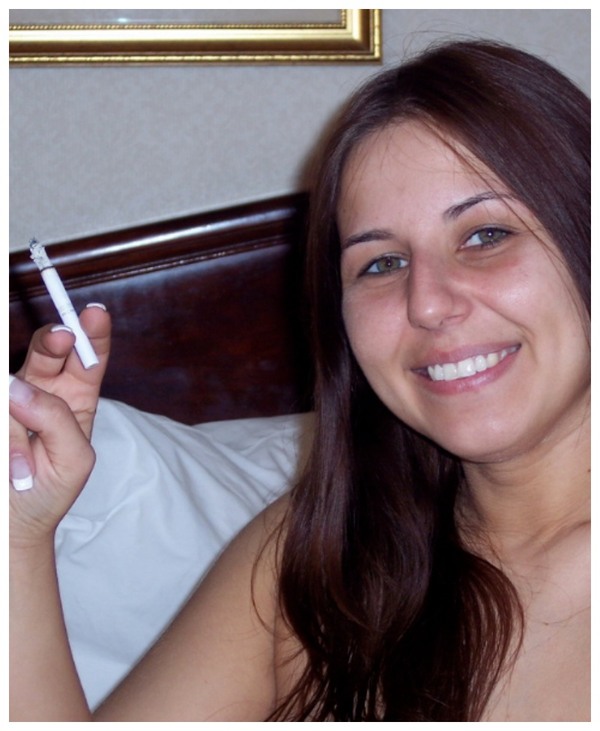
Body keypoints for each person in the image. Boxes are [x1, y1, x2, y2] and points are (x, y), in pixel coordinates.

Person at [9, 39, 590, 722]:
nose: (429, 304)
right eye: (382, 264)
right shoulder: (316, 557)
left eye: (486, 235)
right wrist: (19, 530)